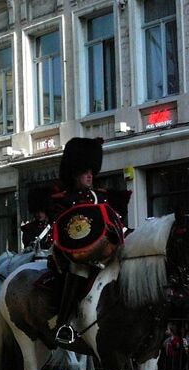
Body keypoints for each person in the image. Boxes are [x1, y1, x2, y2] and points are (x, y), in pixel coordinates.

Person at [49, 137, 129, 343]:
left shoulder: (100, 198)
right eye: (85, 171)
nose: (90, 175)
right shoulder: (64, 201)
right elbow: (61, 230)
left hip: (105, 253)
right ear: (75, 173)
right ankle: (63, 324)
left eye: (91, 171)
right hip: (73, 255)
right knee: (78, 271)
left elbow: (115, 222)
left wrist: (123, 235)